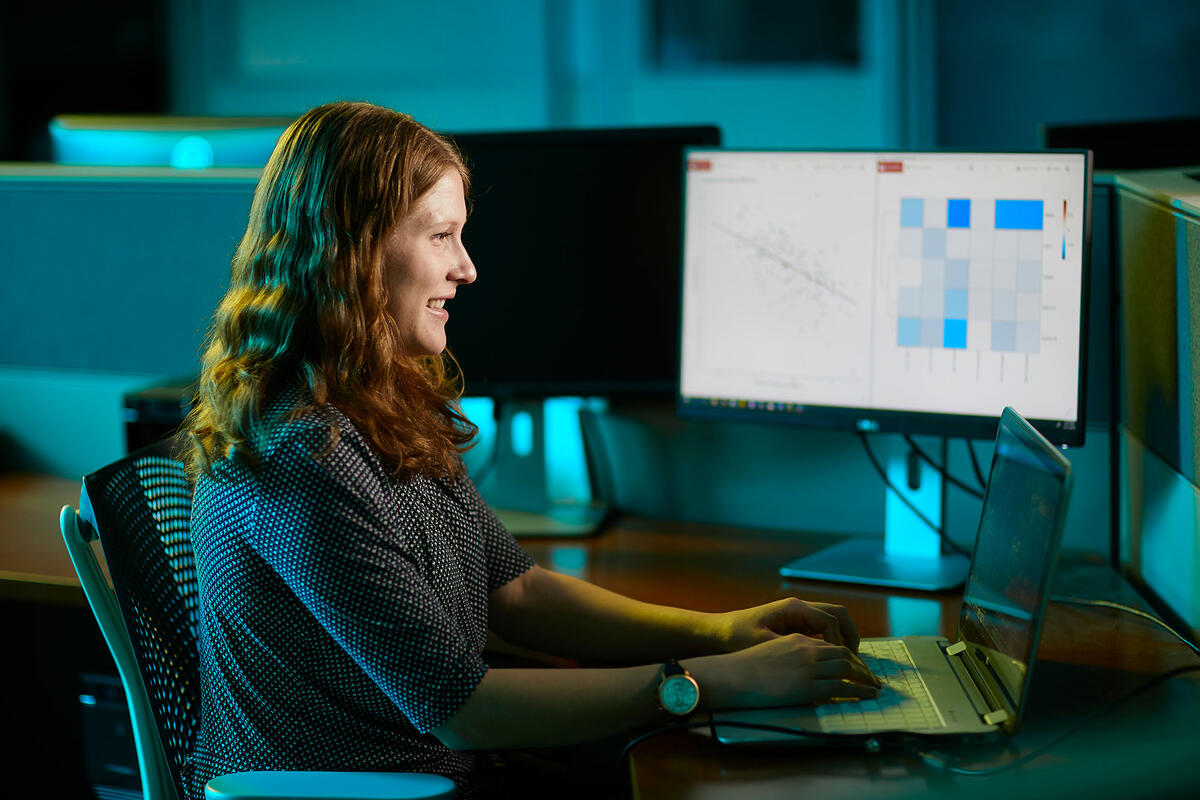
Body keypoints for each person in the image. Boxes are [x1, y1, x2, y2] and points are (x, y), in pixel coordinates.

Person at [183, 100, 880, 799]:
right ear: (353, 250)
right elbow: (464, 711)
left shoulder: (383, 400)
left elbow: (515, 588)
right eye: (441, 236)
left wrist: (722, 633)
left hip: (445, 771)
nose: (467, 267)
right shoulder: (303, 453)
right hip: (394, 787)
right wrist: (702, 684)